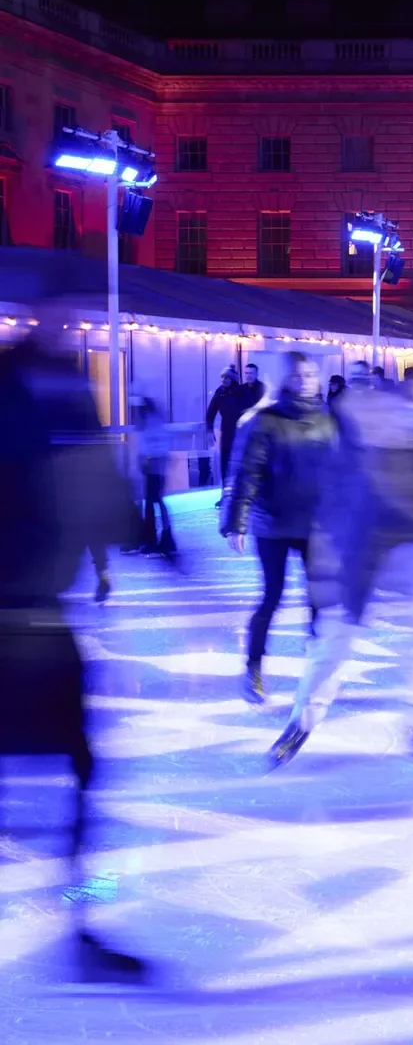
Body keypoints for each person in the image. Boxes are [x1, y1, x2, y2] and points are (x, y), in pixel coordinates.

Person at [0, 323, 149, 984]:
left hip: (36, 620)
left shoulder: (47, 398)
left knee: (80, 773)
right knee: (80, 775)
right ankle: (81, 922)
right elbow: (107, 511)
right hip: (28, 624)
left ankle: (82, 921)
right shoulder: (49, 403)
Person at [268, 365, 413, 766]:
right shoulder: (347, 464)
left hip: (409, 545)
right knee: (335, 635)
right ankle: (302, 721)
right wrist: (325, 567)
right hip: (361, 551)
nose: (386, 421)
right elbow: (332, 511)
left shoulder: (406, 447)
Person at [223, 352, 338, 705]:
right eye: (299, 375)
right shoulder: (265, 421)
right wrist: (235, 523)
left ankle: (318, 670)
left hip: (314, 524)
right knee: (271, 597)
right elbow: (248, 473)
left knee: (319, 600)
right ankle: (253, 668)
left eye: (312, 374)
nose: (306, 380)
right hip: (272, 523)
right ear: (287, 379)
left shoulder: (328, 420)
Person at [128, 388, 179, 560]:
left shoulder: (150, 423)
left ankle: (158, 538)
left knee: (153, 501)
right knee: (153, 501)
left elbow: (153, 445)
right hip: (154, 467)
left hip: (154, 467)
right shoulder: (151, 422)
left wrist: (146, 460)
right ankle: (156, 537)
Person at [206, 363, 265, 501]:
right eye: (222, 378)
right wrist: (209, 429)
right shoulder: (219, 393)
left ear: (232, 379)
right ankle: (225, 495)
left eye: (226, 378)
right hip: (226, 434)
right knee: (225, 465)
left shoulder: (242, 392)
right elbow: (211, 412)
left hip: (241, 436)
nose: (223, 380)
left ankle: (244, 495)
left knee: (242, 465)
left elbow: (252, 412)